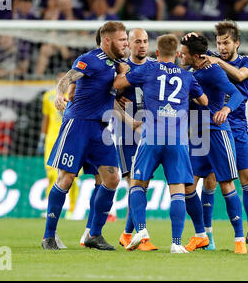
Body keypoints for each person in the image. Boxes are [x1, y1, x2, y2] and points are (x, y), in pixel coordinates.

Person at [113, 34, 208, 253]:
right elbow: (204, 101)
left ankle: (142, 230)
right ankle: (176, 243)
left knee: (138, 184)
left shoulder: (148, 69)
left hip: (151, 135)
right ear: (177, 54)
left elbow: (118, 84)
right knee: (177, 190)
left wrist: (123, 71)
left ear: (157, 53)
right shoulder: (187, 76)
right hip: (178, 139)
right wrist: (188, 96)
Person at [41, 21, 128, 250]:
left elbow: (109, 100)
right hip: (78, 126)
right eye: (122, 39)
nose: (126, 43)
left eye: (126, 39)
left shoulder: (118, 66)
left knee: (111, 179)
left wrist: (131, 122)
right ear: (107, 40)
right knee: (66, 178)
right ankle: (49, 236)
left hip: (101, 130)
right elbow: (68, 78)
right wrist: (60, 94)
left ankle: (93, 235)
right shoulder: (90, 59)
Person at [186, 20, 248, 250]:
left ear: (236, 43)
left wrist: (218, 61)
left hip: (237, 125)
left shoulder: (247, 61)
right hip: (213, 127)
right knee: (209, 180)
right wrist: (191, 37)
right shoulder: (208, 59)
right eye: (219, 43)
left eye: (226, 42)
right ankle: (207, 235)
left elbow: (240, 77)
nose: (221, 47)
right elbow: (194, 53)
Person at [180, 35, 247, 254]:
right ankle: (202, 235)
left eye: (184, 52)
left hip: (218, 134)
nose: (181, 55)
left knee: (226, 185)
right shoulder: (189, 74)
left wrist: (226, 110)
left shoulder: (213, 71)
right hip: (197, 136)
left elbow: (236, 93)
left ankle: (239, 240)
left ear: (196, 56)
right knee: (189, 186)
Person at [115, 28, 158, 251]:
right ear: (129, 44)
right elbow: (111, 101)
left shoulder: (154, 67)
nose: (142, 45)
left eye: (145, 41)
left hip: (150, 132)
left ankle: (126, 234)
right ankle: (141, 234)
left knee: (143, 185)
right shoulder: (121, 69)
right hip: (127, 133)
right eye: (137, 41)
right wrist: (130, 120)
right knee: (134, 183)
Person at [38, 73, 80, 220]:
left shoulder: (76, 94)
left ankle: (73, 209)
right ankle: (51, 209)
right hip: (51, 139)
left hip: (70, 137)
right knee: (51, 174)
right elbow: (46, 118)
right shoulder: (48, 96)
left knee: (72, 176)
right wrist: (42, 138)